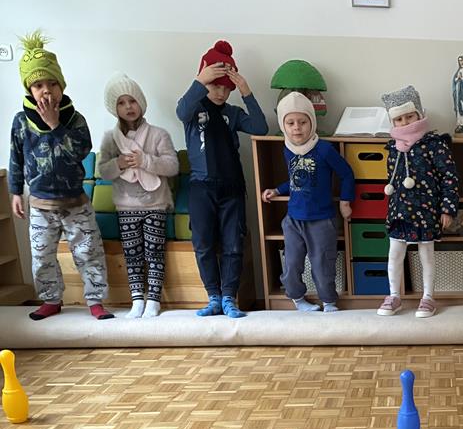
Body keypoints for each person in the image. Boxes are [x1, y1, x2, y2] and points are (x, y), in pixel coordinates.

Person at [8, 30, 112, 320]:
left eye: (52, 83)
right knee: (41, 257)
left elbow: (80, 151)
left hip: (75, 203)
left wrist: (55, 126)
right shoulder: (21, 121)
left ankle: (95, 301)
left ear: (62, 85)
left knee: (88, 252)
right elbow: (15, 157)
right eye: (38, 85)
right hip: (40, 205)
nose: (46, 91)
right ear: (29, 90)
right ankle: (51, 300)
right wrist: (15, 191)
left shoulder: (74, 119)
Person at [176, 40, 267, 318]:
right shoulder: (193, 110)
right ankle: (213, 296)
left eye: (227, 89)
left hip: (232, 188)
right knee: (203, 244)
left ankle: (229, 297)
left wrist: (246, 91)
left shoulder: (233, 113)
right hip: (201, 187)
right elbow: (180, 111)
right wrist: (200, 81)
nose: (221, 93)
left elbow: (261, 128)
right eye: (216, 86)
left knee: (233, 244)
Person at [262, 92, 354, 312]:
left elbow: (346, 174)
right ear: (283, 125)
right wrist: (277, 190)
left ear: (311, 122)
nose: (297, 128)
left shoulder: (323, 149)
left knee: (323, 264)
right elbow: (296, 180)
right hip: (293, 220)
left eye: (302, 122)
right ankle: (297, 298)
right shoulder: (288, 150)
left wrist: (345, 202)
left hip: (321, 220)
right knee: (291, 264)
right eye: (290, 123)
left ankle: (329, 301)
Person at [99, 74, 179, 318]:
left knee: (154, 252)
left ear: (141, 103)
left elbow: (172, 166)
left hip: (155, 204)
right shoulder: (110, 138)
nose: (128, 107)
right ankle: (137, 299)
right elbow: (103, 170)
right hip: (125, 206)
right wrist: (119, 163)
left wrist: (145, 161)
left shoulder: (158, 134)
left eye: (132, 101)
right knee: (132, 254)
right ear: (114, 108)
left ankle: (153, 299)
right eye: (121, 103)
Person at [377, 85, 459, 318]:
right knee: (394, 253)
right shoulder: (393, 148)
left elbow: (449, 177)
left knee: (426, 254)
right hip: (400, 210)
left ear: (419, 114)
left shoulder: (434, 144)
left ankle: (428, 297)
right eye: (399, 119)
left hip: (425, 210)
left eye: (409, 116)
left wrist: (447, 209)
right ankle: (394, 296)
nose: (405, 122)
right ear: (393, 122)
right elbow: (392, 178)